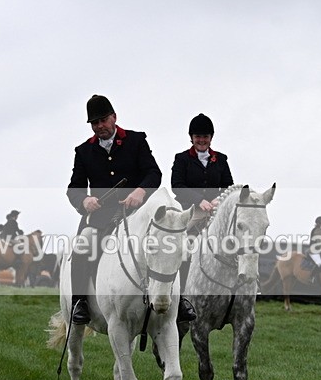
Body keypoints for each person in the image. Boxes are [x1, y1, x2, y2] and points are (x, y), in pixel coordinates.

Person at [66, 94, 162, 324]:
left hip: (137, 212)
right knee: (83, 244)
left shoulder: (136, 141)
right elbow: (74, 189)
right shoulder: (83, 151)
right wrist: (84, 201)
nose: (99, 126)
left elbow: (154, 173)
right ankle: (80, 302)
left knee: (171, 241)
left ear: (114, 117)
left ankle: (181, 300)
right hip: (101, 217)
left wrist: (140, 191)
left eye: (103, 120)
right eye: (94, 123)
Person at [171, 113, 234, 322]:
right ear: (191, 137)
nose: (201, 140)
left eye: (205, 136)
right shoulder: (182, 159)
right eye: (198, 136)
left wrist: (219, 200)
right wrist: (199, 200)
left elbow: (229, 187)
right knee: (185, 249)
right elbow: (177, 186)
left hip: (216, 212)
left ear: (211, 137)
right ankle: (181, 298)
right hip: (191, 212)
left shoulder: (221, 159)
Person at [304, 216, 321, 282]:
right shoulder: (318, 230)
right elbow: (319, 243)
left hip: (316, 250)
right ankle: (311, 277)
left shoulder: (318, 229)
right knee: (319, 263)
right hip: (313, 250)